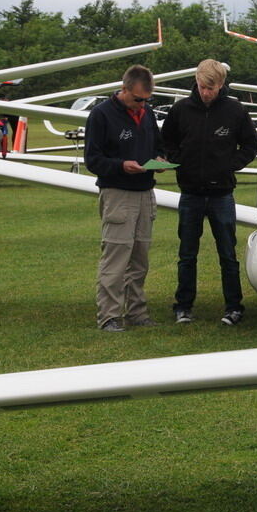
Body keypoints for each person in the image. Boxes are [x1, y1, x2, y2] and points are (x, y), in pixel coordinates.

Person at [161, 59, 257, 326]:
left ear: (221, 85)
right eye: (203, 87)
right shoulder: (180, 110)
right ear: (196, 81)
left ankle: (234, 307)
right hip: (190, 193)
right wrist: (177, 158)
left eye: (212, 88)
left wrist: (231, 164)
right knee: (187, 253)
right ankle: (183, 306)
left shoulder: (234, 110)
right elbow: (166, 140)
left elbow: (252, 144)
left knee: (227, 253)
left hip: (222, 195)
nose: (206, 92)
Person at [84, 65, 165, 332]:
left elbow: (157, 146)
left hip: (145, 193)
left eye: (146, 100)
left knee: (140, 258)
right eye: (137, 99)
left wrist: (161, 160)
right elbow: (93, 160)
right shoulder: (101, 115)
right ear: (125, 88)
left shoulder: (148, 114)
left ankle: (137, 312)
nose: (141, 104)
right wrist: (121, 166)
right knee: (116, 258)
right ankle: (109, 316)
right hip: (118, 193)